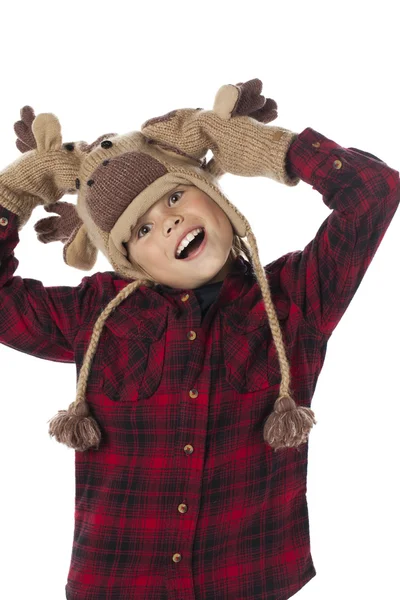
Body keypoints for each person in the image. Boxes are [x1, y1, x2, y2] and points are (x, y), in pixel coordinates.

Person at [0, 78, 398, 600]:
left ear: (215, 198)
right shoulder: (94, 313)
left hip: (253, 582)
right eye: (139, 230)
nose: (166, 223)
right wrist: (16, 193)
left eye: (174, 196)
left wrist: (266, 147)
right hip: (119, 587)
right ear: (128, 262)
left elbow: (373, 193)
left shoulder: (295, 300)